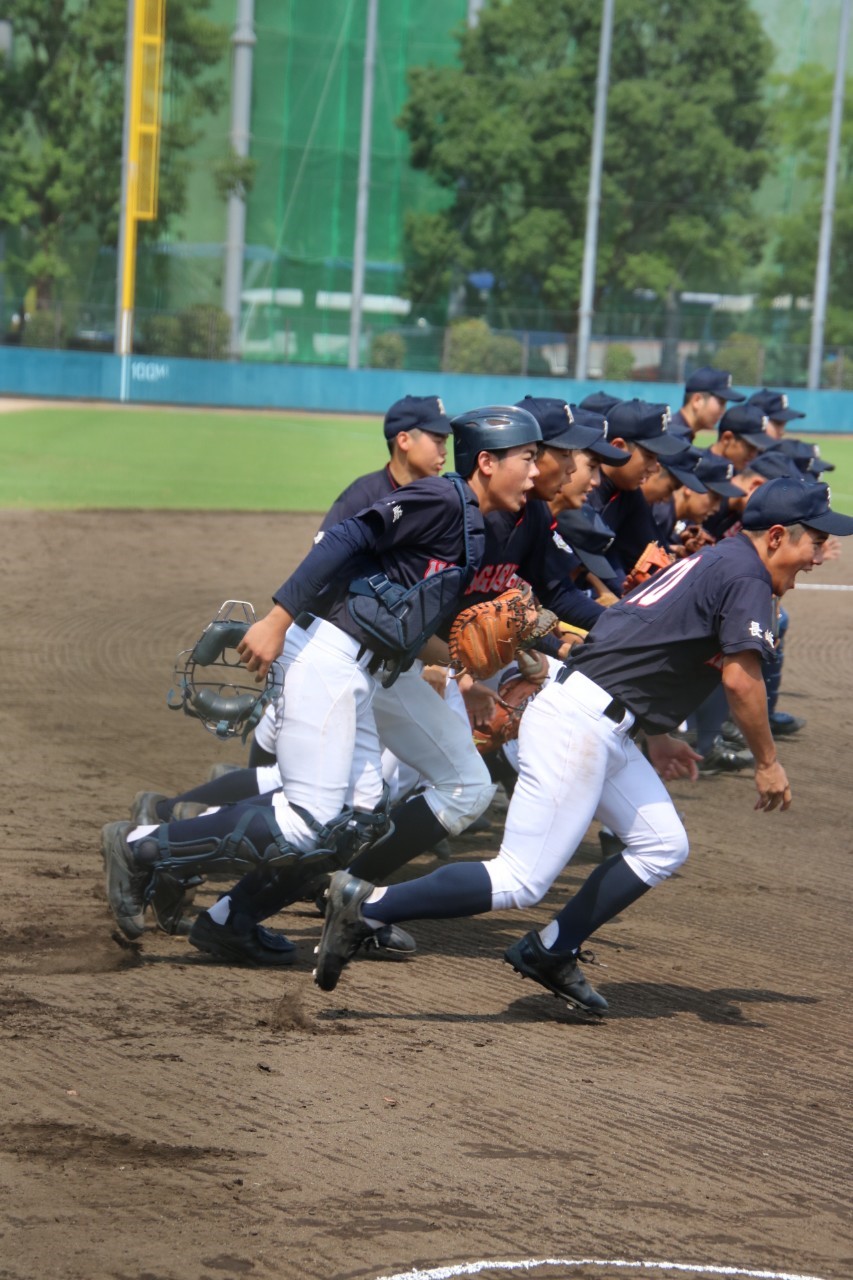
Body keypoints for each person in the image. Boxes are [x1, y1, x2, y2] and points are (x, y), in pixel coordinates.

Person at [313, 477, 853, 1012]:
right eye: (816, 540)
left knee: (662, 846)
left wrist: (658, 735)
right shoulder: (746, 576)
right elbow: (740, 679)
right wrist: (768, 761)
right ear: (778, 536)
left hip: (601, 722)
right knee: (521, 880)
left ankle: (551, 949)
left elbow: (634, 635)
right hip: (581, 725)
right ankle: (368, 907)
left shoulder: (722, 561)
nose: (822, 554)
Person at [102, 404, 542, 963]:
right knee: (309, 821)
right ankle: (140, 847)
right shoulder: (440, 498)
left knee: (357, 824)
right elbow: (345, 539)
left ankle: (226, 921)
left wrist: (475, 667)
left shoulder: (474, 524)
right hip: (330, 657)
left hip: (379, 668)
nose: (533, 472)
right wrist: (276, 619)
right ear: (487, 461)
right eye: (527, 459)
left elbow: (406, 616)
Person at [668, 366, 745, 443]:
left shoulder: (679, 433)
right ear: (697, 400)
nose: (723, 411)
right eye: (721, 403)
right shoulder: (673, 437)